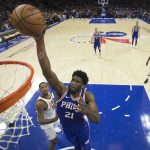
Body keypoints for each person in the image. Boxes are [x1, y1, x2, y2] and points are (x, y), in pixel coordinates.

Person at [34, 32, 100, 150]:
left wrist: (86, 111)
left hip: (82, 130)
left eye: (77, 81)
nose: (73, 83)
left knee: (85, 147)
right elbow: (47, 72)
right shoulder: (62, 90)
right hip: (67, 130)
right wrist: (39, 40)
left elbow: (96, 120)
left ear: (83, 85)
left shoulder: (87, 96)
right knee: (76, 147)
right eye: (73, 79)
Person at [36, 82, 59, 150]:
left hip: (52, 116)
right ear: (39, 90)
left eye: (45, 86)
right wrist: (54, 119)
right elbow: (41, 121)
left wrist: (54, 105)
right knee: (53, 142)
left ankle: (54, 129)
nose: (44, 89)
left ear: (48, 87)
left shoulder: (49, 94)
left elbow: (51, 103)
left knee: (56, 124)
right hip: (46, 124)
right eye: (42, 88)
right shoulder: (40, 103)